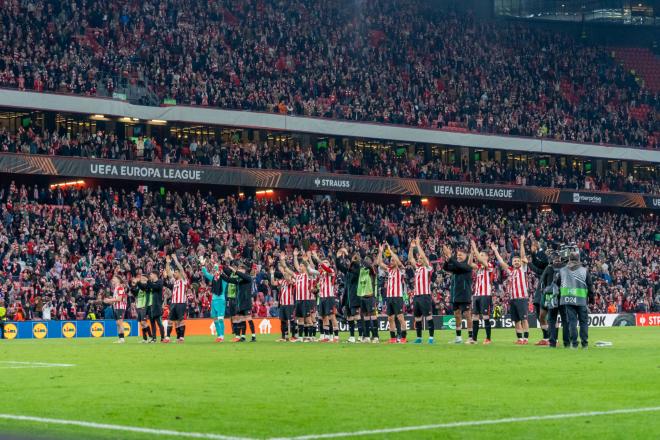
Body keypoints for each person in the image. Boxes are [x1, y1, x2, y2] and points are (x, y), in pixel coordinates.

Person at [491, 236, 529, 345]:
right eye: (514, 261)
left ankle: (526, 339)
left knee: (524, 319)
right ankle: (520, 339)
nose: (516, 262)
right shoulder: (511, 271)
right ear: (512, 262)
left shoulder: (523, 269)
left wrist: (521, 243)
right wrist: (495, 251)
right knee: (516, 320)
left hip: (521, 298)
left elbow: (523, 256)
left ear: (520, 262)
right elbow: (501, 262)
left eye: (518, 260)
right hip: (513, 299)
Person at [557, 248, 594, 349]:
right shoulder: (584, 270)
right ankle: (585, 344)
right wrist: (591, 299)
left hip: (568, 300)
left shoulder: (563, 270)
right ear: (578, 259)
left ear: (569, 259)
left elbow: (557, 283)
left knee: (572, 322)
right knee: (583, 322)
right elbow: (590, 286)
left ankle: (574, 343)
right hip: (581, 300)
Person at [442, 242, 473, 344]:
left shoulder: (467, 266)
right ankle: (458, 337)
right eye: (458, 255)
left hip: (465, 295)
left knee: (468, 315)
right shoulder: (456, 266)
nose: (458, 256)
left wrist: (451, 257)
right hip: (455, 295)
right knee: (457, 315)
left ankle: (470, 337)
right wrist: (447, 259)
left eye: (461, 255)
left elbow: (459, 265)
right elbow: (446, 268)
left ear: (466, 256)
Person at [220, 251, 255, 342]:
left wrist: (235, 270)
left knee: (248, 318)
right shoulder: (239, 280)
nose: (239, 271)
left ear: (244, 270)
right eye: (239, 270)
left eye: (240, 270)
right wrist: (220, 274)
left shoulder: (248, 278)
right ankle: (242, 336)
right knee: (241, 319)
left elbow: (241, 275)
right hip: (240, 303)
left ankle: (253, 336)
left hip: (246, 302)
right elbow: (229, 280)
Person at [377, 243, 407, 344]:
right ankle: (393, 339)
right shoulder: (389, 270)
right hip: (389, 297)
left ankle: (403, 338)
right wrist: (381, 252)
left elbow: (398, 261)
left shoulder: (400, 270)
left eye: (393, 260)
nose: (391, 261)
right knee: (390, 318)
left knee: (400, 317)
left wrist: (390, 250)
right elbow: (379, 263)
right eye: (390, 260)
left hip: (397, 297)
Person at [408, 238, 435, 344]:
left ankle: (431, 338)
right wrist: (411, 247)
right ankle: (419, 338)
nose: (419, 259)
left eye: (420, 258)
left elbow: (423, 256)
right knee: (418, 318)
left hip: (425, 296)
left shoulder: (428, 267)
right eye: (418, 258)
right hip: (417, 296)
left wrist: (418, 245)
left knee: (428, 317)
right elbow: (410, 258)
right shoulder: (418, 268)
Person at [542, 249, 569, 348]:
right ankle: (566, 342)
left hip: (551, 296)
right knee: (565, 320)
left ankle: (552, 342)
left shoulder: (549, 268)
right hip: (563, 296)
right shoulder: (565, 268)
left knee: (552, 320)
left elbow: (543, 283)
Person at [469, 240, 494, 345]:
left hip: (485, 294)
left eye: (483, 255)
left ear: (487, 257)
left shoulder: (489, 266)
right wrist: (471, 252)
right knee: (475, 316)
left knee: (485, 316)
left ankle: (488, 338)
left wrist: (475, 248)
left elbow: (479, 259)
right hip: (477, 295)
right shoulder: (479, 267)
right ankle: (474, 339)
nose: (481, 256)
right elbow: (470, 263)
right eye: (481, 255)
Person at [311, 250, 339, 343]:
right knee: (324, 317)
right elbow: (316, 284)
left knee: (332, 316)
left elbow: (324, 268)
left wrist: (316, 258)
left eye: (326, 262)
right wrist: (314, 289)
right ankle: (326, 336)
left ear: (329, 264)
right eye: (323, 262)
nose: (324, 264)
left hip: (329, 297)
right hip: (322, 297)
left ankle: (336, 337)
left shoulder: (331, 271)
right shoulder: (321, 275)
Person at [335, 247, 361, 343]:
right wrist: (337, 258)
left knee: (357, 316)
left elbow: (356, 264)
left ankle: (362, 336)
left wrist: (347, 254)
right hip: (348, 297)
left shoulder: (357, 271)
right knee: (349, 317)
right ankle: (352, 336)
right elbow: (339, 267)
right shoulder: (349, 272)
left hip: (355, 297)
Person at [528, 240, 551, 345]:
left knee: (549, 314)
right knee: (538, 312)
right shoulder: (545, 267)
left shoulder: (548, 263)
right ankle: (546, 338)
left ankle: (552, 338)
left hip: (547, 290)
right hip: (541, 289)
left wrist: (534, 253)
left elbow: (538, 267)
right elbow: (538, 268)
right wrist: (533, 254)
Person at [164, 254, 188, 343]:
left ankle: (181, 338)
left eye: (176, 272)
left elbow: (181, 269)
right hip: (173, 303)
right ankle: (168, 338)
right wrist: (167, 263)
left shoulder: (184, 280)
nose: (174, 273)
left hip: (181, 303)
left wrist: (175, 260)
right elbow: (169, 273)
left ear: (180, 273)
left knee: (180, 321)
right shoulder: (175, 281)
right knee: (170, 321)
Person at [201, 259, 227, 343]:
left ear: (220, 271)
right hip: (214, 301)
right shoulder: (213, 279)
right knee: (215, 319)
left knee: (220, 319)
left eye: (216, 270)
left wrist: (219, 267)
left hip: (220, 300)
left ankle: (222, 336)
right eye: (214, 270)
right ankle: (219, 335)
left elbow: (225, 275)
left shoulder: (224, 279)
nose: (215, 271)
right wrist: (202, 265)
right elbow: (205, 273)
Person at [272, 254, 296, 342]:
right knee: (283, 321)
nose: (284, 274)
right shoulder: (282, 281)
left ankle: (293, 336)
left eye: (286, 273)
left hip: (290, 303)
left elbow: (290, 281)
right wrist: (271, 274)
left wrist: (284, 270)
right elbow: (273, 283)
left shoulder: (292, 280)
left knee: (291, 320)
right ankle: (284, 337)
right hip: (282, 304)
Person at [141, 269, 166, 343]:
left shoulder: (160, 282)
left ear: (155, 275)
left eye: (151, 274)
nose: (150, 276)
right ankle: (154, 338)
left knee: (159, 322)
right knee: (152, 323)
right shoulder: (150, 283)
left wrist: (148, 281)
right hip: (150, 305)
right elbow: (145, 288)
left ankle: (162, 338)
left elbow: (155, 287)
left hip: (157, 306)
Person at [104, 276, 127, 344]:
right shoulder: (115, 289)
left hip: (120, 307)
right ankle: (120, 338)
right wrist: (108, 301)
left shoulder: (120, 287)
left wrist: (109, 300)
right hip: (116, 307)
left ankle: (122, 339)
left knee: (120, 322)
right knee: (117, 323)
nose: (112, 280)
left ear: (119, 280)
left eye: (114, 279)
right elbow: (115, 300)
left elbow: (119, 299)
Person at [131, 269, 152, 343]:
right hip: (138, 306)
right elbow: (134, 293)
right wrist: (133, 286)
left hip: (143, 306)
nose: (141, 279)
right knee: (141, 323)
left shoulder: (147, 286)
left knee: (143, 322)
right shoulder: (139, 287)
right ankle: (145, 338)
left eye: (143, 278)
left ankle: (150, 337)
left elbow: (143, 288)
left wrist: (138, 282)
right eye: (141, 278)